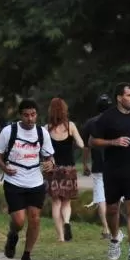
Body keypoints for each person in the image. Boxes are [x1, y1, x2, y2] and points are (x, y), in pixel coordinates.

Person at [0, 98, 55, 260]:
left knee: (35, 219)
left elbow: (49, 156)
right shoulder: (9, 131)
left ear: (37, 115)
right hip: (14, 181)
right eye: (26, 115)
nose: (30, 119)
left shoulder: (42, 133)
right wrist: (4, 168)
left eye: (33, 115)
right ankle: (13, 234)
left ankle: (26, 256)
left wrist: (51, 163)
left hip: (35, 182)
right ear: (20, 115)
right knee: (19, 221)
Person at [89, 83, 130, 260]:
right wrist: (113, 142)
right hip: (112, 170)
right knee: (112, 209)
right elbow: (92, 141)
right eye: (129, 95)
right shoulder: (107, 118)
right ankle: (115, 238)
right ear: (119, 98)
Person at [44, 98, 86, 242]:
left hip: (53, 169)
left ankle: (61, 237)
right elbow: (81, 144)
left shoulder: (46, 128)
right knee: (66, 202)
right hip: (69, 168)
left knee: (56, 203)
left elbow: (42, 149)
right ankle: (67, 222)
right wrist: (72, 142)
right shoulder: (70, 126)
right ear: (64, 110)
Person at [82, 94, 114, 239]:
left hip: (98, 165)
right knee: (114, 196)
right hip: (115, 164)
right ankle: (114, 226)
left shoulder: (90, 123)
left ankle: (106, 229)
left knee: (100, 197)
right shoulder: (116, 121)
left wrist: (85, 164)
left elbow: (86, 147)